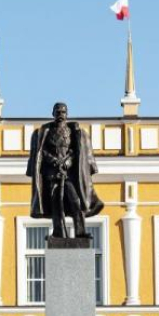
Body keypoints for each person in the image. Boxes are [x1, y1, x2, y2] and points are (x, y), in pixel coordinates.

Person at [26, 102, 103, 239]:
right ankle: (58, 232)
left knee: (75, 201)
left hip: (68, 176)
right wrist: (54, 161)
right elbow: (42, 152)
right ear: (53, 114)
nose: (60, 115)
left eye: (63, 112)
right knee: (56, 205)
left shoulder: (73, 132)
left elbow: (76, 151)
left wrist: (69, 161)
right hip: (53, 175)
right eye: (58, 112)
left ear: (67, 114)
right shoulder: (46, 133)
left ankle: (80, 231)